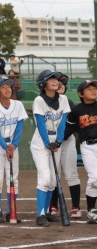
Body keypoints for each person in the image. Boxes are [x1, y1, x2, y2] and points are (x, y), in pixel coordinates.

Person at [30, 70, 70, 227]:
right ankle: (40, 215)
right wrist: (48, 142)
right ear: (42, 84)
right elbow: (40, 124)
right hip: (41, 142)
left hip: (56, 143)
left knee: (53, 181)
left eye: (56, 78)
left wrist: (59, 141)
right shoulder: (39, 100)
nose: (55, 80)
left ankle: (46, 212)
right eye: (51, 78)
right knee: (45, 178)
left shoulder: (64, 99)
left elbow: (63, 123)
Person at [0, 76, 28, 223]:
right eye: (3, 87)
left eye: (8, 86)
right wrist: (6, 147)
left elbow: (20, 127)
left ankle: (10, 210)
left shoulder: (18, 105)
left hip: (13, 146)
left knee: (13, 179)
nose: (7, 89)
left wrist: (14, 145)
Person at [49, 74, 82, 219]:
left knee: (71, 174)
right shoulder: (44, 102)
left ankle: (75, 207)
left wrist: (61, 139)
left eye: (63, 84)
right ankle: (53, 205)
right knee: (53, 175)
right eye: (58, 83)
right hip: (51, 144)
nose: (61, 85)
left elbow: (73, 125)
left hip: (66, 142)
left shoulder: (69, 103)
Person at [66, 80, 97, 224]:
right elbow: (69, 129)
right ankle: (91, 210)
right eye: (89, 89)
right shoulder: (76, 110)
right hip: (87, 146)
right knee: (94, 178)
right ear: (80, 94)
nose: (93, 91)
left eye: (94, 88)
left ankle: (92, 210)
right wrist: (57, 142)